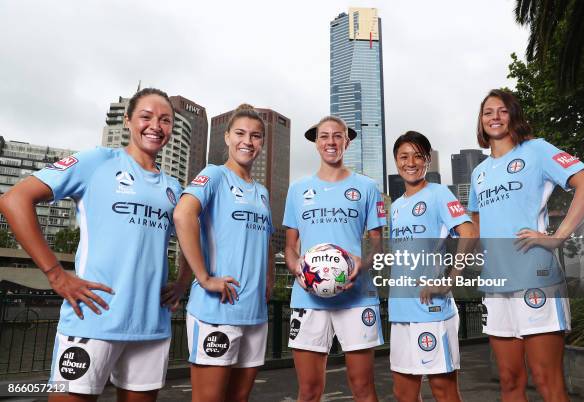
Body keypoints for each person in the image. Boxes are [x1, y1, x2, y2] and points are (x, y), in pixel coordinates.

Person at [0, 87, 191, 401]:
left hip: (151, 326)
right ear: (128, 121)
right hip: (93, 319)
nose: (156, 125)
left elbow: (194, 237)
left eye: (165, 120)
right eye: (146, 116)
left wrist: (183, 281)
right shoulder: (97, 161)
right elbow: (13, 199)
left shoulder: (173, 188)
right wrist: (56, 275)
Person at [468, 89, 584, 402]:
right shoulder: (479, 172)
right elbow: (476, 225)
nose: (495, 117)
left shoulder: (537, 150)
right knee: (509, 381)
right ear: (481, 121)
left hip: (536, 277)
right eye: (488, 112)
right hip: (496, 283)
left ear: (513, 115)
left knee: (546, 380)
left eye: (502, 111)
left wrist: (558, 235)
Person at [173, 104, 273, 402]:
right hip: (217, 310)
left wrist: (268, 277)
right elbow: (182, 215)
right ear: (227, 137)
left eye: (255, 136)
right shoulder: (214, 175)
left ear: (262, 143)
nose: (248, 141)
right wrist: (203, 277)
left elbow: (264, 241)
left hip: (255, 313)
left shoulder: (262, 192)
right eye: (240, 133)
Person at [283, 116, 387, 402]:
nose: (331, 142)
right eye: (324, 136)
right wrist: (297, 269)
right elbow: (290, 247)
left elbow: (378, 245)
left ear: (347, 142)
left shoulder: (367, 187)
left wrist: (360, 263)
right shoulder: (297, 189)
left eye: (337, 136)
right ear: (316, 143)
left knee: (363, 389)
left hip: (357, 297)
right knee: (309, 390)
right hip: (308, 298)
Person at [389, 131, 474, 402]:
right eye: (404, 156)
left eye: (418, 156)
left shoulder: (438, 194)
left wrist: (450, 279)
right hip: (400, 309)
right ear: (396, 161)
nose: (410, 162)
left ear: (427, 161)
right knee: (403, 393)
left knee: (443, 391)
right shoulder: (397, 206)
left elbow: (469, 232)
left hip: (431, 309)